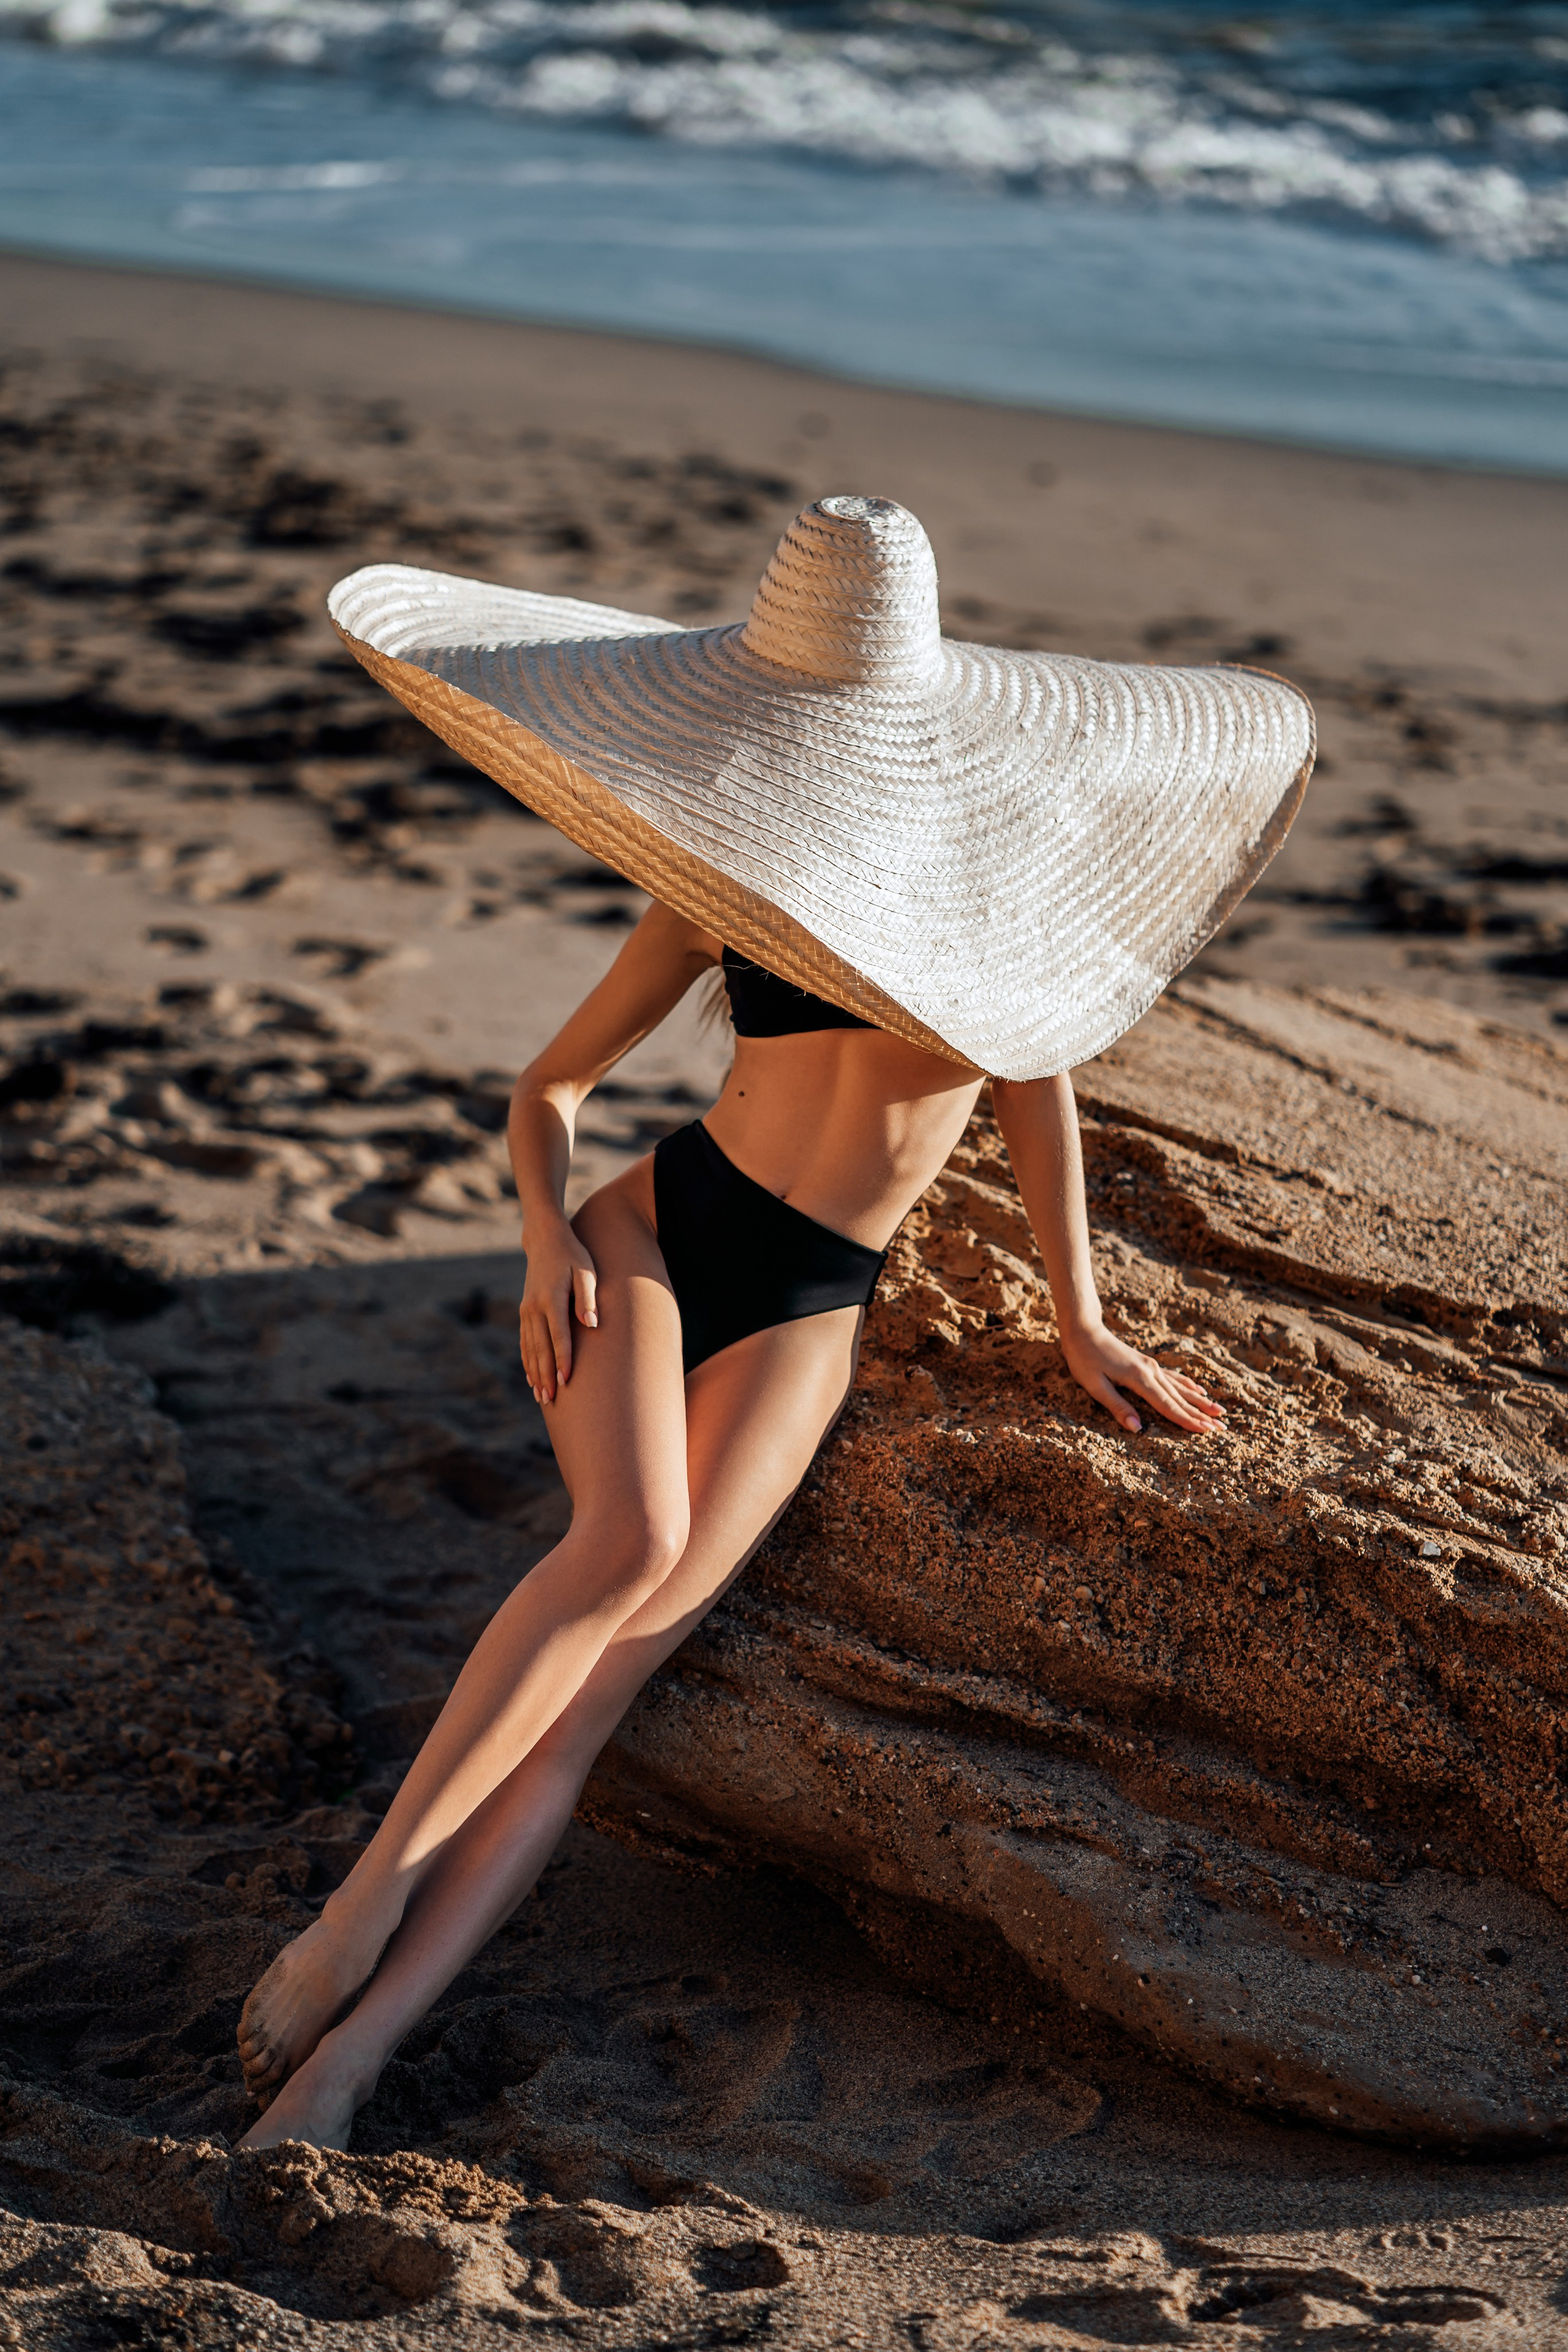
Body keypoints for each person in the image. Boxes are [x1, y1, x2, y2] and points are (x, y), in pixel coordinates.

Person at [236, 495, 1314, 2150]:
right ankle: (355, 1915)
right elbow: (552, 1085)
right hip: (659, 1235)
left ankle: (354, 2058)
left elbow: (1043, 1100)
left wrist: (1082, 1317)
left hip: (812, 1297)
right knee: (624, 1545)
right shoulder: (726, 877)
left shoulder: (1000, 907)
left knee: (594, 1708)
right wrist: (542, 1230)